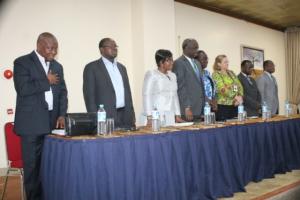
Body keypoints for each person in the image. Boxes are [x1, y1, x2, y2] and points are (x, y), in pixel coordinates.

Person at [13, 32, 68, 200]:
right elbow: (22, 89)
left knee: (48, 167)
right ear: (39, 45)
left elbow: (63, 93)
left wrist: (62, 114)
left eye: (55, 49)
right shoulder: (22, 62)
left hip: (52, 124)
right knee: (32, 169)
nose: (53, 52)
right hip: (31, 125)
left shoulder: (57, 66)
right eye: (50, 48)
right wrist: (46, 81)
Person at [83, 38, 135, 128]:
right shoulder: (92, 68)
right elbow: (89, 97)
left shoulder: (122, 68)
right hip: (105, 118)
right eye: (110, 46)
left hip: (125, 117)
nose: (114, 48)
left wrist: (132, 115)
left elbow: (128, 93)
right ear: (101, 50)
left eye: (115, 46)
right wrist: (95, 120)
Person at [142, 49, 184, 125]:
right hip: (156, 115)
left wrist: (177, 114)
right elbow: (146, 95)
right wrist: (149, 117)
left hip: (170, 114)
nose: (172, 62)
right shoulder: (152, 74)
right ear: (161, 62)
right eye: (169, 60)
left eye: (172, 60)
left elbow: (175, 95)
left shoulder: (173, 75)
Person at [172, 38, 205, 121]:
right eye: (194, 48)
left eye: (197, 48)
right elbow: (181, 87)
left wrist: (206, 103)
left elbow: (200, 85)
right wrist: (187, 107)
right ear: (186, 48)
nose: (196, 51)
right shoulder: (179, 63)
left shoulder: (197, 63)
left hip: (199, 108)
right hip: (188, 109)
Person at [212, 55, 243, 121]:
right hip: (223, 106)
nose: (227, 63)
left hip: (235, 104)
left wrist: (239, 96)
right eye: (225, 62)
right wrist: (235, 96)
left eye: (228, 62)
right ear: (219, 64)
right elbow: (222, 89)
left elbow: (238, 85)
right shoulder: (216, 74)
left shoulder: (231, 73)